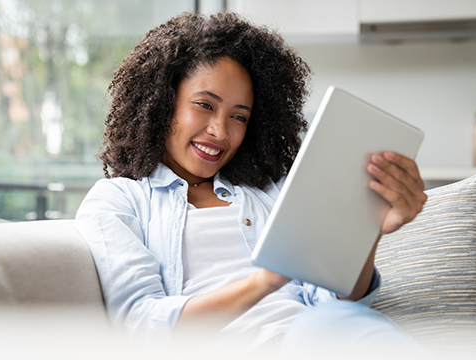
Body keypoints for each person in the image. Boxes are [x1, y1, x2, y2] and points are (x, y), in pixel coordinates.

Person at [75, 11, 428, 354]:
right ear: (163, 104)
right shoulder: (118, 200)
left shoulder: (271, 193)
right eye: (204, 105)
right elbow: (141, 327)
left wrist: (367, 230)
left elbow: (339, 302)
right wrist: (264, 281)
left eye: (239, 116)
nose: (220, 131)